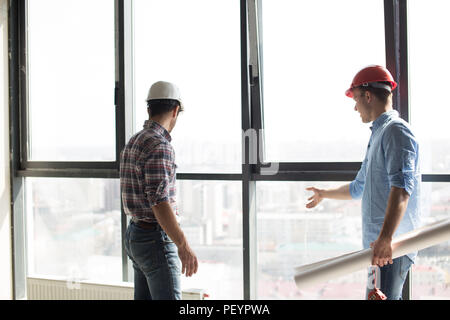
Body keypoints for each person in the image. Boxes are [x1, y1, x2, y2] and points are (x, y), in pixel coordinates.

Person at [306, 65, 421, 300]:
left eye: (356, 98)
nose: (355, 106)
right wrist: (324, 193)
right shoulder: (379, 134)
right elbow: (359, 187)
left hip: (391, 246)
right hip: (378, 244)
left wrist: (386, 239)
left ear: (368, 95)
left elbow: (402, 190)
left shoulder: (396, 132)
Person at [120, 81, 198, 300]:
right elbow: (159, 202)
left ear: (148, 109)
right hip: (154, 238)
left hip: (135, 233)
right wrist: (183, 245)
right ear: (175, 111)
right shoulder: (159, 145)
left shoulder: (134, 141)